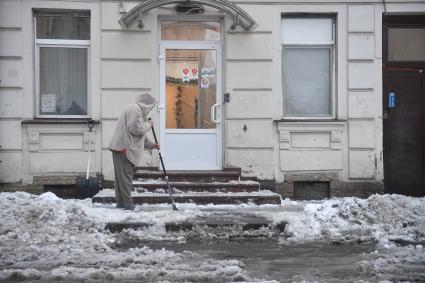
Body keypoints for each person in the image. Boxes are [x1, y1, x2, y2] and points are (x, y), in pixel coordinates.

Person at [108, 93, 159, 210]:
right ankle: (128, 204)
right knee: (125, 177)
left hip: (120, 147)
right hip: (123, 148)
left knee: (121, 177)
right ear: (148, 104)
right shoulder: (135, 109)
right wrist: (149, 124)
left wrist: (152, 145)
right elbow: (136, 129)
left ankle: (121, 202)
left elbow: (139, 135)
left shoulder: (136, 110)